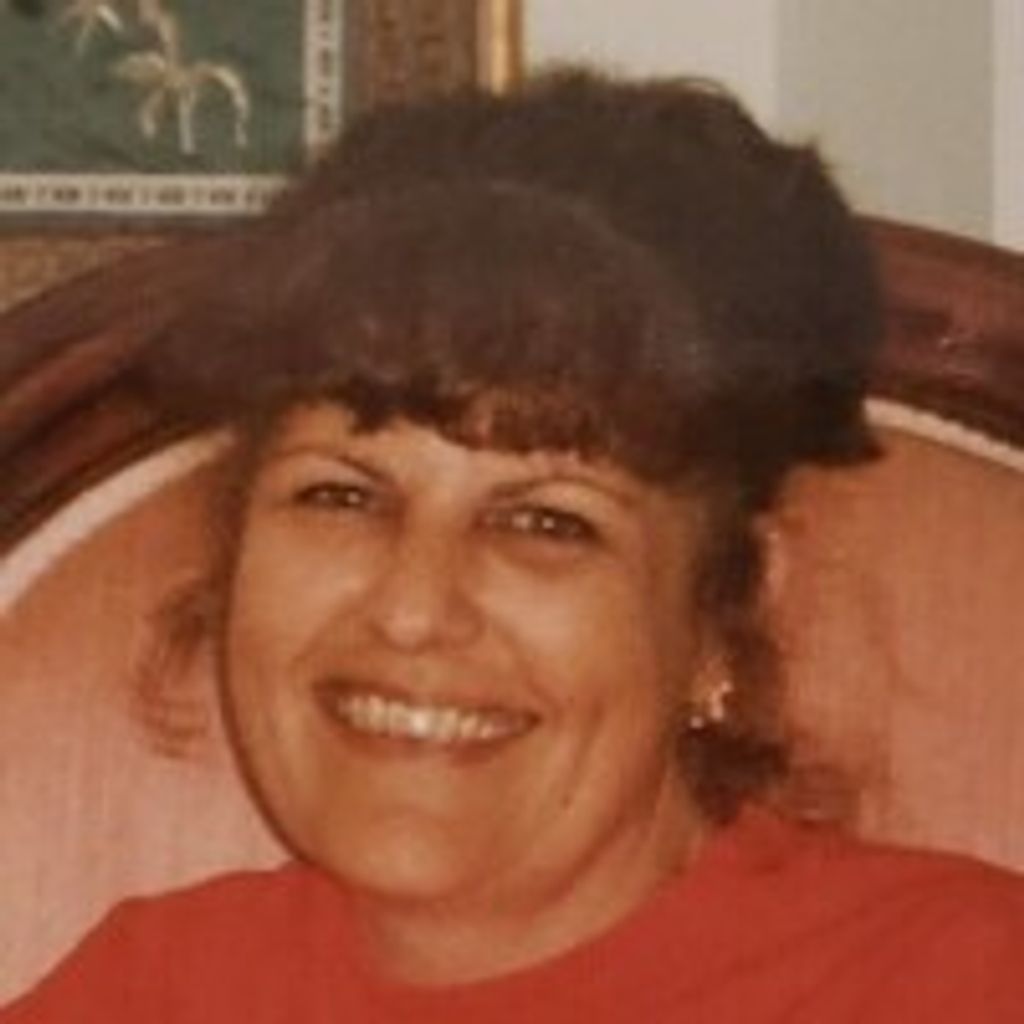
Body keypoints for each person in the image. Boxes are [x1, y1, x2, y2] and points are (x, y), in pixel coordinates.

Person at [3, 70, 1023, 1022]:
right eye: (340, 495)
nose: (411, 609)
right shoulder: (151, 991)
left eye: (545, 522)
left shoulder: (956, 980)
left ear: (725, 607)